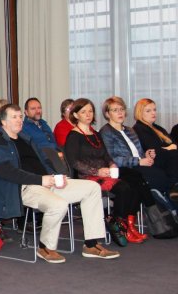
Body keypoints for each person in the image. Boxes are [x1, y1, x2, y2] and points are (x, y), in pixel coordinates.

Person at [0, 104, 119, 262]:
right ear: (3, 121)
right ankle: (45, 248)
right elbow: (7, 172)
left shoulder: (26, 139)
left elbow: (44, 162)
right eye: (14, 117)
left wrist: (56, 176)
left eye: (20, 116)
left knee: (92, 188)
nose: (19, 120)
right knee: (58, 204)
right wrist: (41, 180)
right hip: (22, 188)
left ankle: (91, 244)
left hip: (47, 182)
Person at [64, 99, 150, 243]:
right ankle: (118, 225)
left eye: (90, 111)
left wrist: (111, 164)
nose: (88, 115)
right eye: (83, 112)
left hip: (103, 173)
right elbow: (74, 162)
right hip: (87, 176)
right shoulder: (73, 136)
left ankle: (118, 223)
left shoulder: (95, 134)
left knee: (128, 187)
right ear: (76, 115)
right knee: (123, 188)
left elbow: (106, 155)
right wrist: (97, 171)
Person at [100, 96, 178, 195]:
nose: (120, 113)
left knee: (163, 174)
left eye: (122, 109)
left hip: (140, 164)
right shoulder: (106, 132)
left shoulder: (130, 130)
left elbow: (138, 152)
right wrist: (138, 161)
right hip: (125, 168)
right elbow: (112, 159)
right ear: (107, 114)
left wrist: (147, 155)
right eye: (115, 110)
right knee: (161, 176)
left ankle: (166, 200)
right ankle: (165, 201)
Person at [21, 98, 65, 167]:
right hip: (42, 163)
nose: (37, 111)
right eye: (33, 109)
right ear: (26, 112)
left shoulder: (44, 124)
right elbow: (31, 150)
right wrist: (54, 155)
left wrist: (60, 153)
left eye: (39, 108)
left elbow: (54, 143)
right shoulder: (23, 128)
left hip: (56, 159)